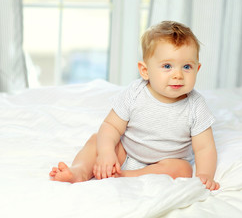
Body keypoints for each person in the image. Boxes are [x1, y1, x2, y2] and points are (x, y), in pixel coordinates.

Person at [49, 21, 220, 191]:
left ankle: (125, 176)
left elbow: (205, 148)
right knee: (98, 140)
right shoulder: (135, 93)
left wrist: (205, 175)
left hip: (166, 161)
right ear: (145, 71)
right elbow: (111, 126)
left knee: (183, 169)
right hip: (127, 151)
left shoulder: (196, 105)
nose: (178, 75)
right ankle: (79, 171)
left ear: (197, 69)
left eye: (187, 67)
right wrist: (106, 153)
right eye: (167, 66)